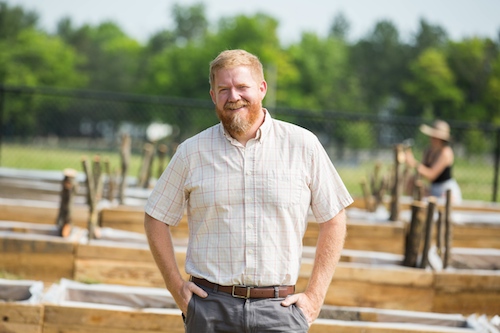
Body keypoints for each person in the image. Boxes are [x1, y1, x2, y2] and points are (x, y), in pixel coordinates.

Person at [144, 49, 353, 332]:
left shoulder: (303, 145)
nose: (233, 97)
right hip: (210, 310)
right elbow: (155, 217)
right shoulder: (191, 153)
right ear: (212, 96)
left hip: (279, 312)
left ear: (262, 88)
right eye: (223, 89)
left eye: (242, 87)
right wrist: (176, 287)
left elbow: (334, 218)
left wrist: (315, 296)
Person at [405, 119, 462, 204]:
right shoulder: (428, 151)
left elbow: (431, 175)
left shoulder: (446, 152)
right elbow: (421, 172)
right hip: (433, 189)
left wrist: (413, 163)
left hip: (445, 192)